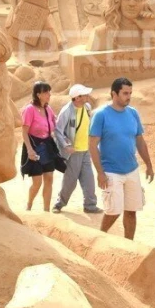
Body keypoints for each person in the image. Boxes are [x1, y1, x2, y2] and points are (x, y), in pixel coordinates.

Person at [88, 77, 154, 240]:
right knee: (113, 211)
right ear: (114, 94)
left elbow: (140, 140)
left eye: (130, 93)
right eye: (125, 93)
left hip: (132, 170)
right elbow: (92, 145)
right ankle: (98, 239)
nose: (128, 96)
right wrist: (100, 173)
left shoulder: (133, 113)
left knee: (131, 211)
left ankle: (129, 246)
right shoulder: (101, 115)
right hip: (111, 171)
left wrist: (149, 165)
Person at [52, 84, 102, 215]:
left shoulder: (87, 107)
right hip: (73, 153)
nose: (87, 96)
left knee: (89, 179)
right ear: (77, 98)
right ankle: (59, 204)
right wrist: (66, 145)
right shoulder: (66, 111)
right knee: (70, 181)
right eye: (84, 94)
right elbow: (58, 131)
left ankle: (90, 205)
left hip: (85, 151)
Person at [20, 81, 59, 212]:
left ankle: (46, 211)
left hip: (47, 146)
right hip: (34, 147)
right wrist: (30, 150)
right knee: (37, 182)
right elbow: (24, 132)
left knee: (49, 179)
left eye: (49, 91)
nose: (49, 94)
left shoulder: (48, 109)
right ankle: (29, 205)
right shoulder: (29, 110)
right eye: (46, 92)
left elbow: (55, 123)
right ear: (38, 94)